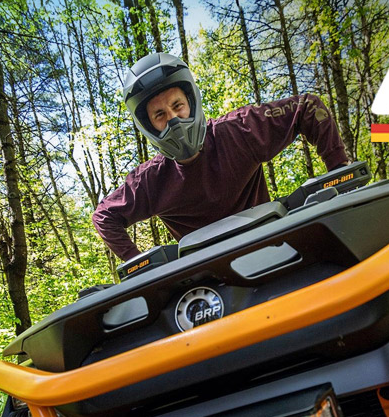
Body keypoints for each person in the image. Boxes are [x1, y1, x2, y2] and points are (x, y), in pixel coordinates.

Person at [91, 52, 349, 261]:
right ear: (148, 126)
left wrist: (340, 177)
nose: (173, 119)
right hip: (208, 277)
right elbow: (104, 216)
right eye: (160, 115)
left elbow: (307, 107)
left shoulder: (238, 131)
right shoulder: (151, 181)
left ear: (192, 102)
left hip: (271, 248)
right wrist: (141, 265)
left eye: (178, 105)